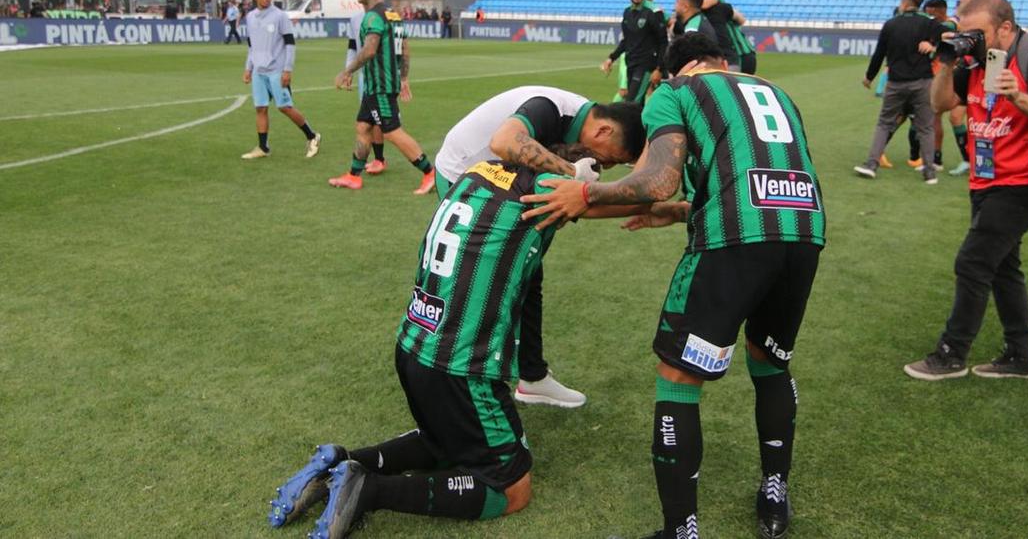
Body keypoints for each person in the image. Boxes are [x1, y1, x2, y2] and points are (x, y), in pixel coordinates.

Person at [521, 33, 825, 539]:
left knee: (678, 379)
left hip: (734, 239)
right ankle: (775, 493)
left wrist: (585, 192)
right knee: (770, 361)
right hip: (804, 232)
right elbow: (759, 173)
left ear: (675, 71)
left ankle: (679, 531)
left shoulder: (675, 91)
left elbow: (660, 179)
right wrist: (684, 211)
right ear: (723, 62)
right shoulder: (775, 90)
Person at [267, 154, 603, 538]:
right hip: (461, 367)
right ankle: (368, 489)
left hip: (414, 344)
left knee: (448, 442)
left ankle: (340, 463)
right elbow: (611, 198)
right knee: (510, 488)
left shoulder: (478, 173)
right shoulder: (542, 190)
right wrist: (665, 204)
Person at [432, 86, 646, 407]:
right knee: (481, 281)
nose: (606, 167)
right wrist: (573, 173)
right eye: (612, 159)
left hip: (501, 182)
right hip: (464, 179)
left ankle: (531, 376)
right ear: (604, 130)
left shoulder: (574, 123)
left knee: (528, 273)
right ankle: (455, 370)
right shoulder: (551, 108)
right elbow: (504, 142)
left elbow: (575, 204)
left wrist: (653, 207)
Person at [904, 0, 1028, 382]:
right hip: (987, 179)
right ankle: (1022, 355)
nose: (970, 41)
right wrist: (947, 63)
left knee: (974, 262)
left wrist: (1017, 95)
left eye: (977, 34)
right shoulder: (973, 62)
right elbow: (940, 103)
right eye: (964, 34)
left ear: (1006, 28)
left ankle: (951, 353)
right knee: (1003, 268)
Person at [328, 0, 436, 194]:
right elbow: (404, 48)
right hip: (376, 86)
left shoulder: (372, 17)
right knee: (363, 126)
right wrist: (403, 77)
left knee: (391, 131)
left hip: (380, 86)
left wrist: (346, 71)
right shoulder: (392, 15)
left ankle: (430, 172)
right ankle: (354, 175)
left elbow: (369, 50)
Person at [854, 0, 940, 184]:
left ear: (905, 1)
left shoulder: (891, 24)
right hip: (922, 82)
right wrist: (934, 46)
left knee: (885, 123)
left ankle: (871, 164)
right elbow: (947, 37)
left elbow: (879, 54)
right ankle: (929, 172)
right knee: (925, 127)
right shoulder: (929, 23)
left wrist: (869, 77)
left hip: (896, 82)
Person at [240, 0, 321, 160]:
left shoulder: (280, 16)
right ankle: (263, 147)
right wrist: (248, 68)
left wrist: (287, 70)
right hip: (258, 71)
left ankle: (312, 136)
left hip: (277, 69)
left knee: (285, 107)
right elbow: (251, 46)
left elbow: (290, 44)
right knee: (260, 108)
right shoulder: (251, 17)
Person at [924, 0, 971, 176]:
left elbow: (949, 38)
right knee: (935, 115)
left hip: (959, 76)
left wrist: (933, 47)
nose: (930, 19)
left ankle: (969, 159)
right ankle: (937, 159)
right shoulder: (938, 29)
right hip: (941, 77)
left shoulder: (952, 25)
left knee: (956, 118)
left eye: (932, 15)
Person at [602, 0, 667, 104]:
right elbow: (626, 40)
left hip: (646, 65)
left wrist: (659, 69)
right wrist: (611, 58)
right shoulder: (627, 12)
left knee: (631, 102)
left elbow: (663, 42)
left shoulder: (654, 11)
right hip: (631, 62)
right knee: (638, 104)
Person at [344, 3, 388, 175]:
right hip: (364, 76)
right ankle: (361, 169)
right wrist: (349, 70)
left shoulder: (385, 16)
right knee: (366, 122)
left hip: (382, 77)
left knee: (385, 124)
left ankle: (427, 170)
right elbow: (352, 46)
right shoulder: (355, 19)